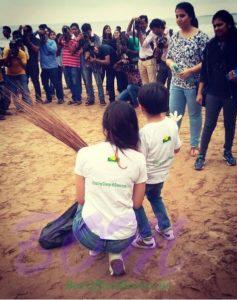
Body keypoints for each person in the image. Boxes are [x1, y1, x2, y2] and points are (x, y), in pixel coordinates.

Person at [73, 101, 147, 276]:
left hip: (87, 236)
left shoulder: (84, 153)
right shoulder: (138, 159)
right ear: (133, 128)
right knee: (121, 209)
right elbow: (137, 204)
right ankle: (115, 254)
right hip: (123, 238)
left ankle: (96, 248)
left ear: (105, 126)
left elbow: (81, 199)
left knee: (82, 202)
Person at [132, 83, 181, 249]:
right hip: (162, 176)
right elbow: (177, 148)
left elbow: (140, 159)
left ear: (142, 107)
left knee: (135, 204)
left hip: (145, 178)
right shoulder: (172, 125)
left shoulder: (144, 133)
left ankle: (146, 237)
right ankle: (166, 228)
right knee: (155, 197)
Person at [194, 10, 237, 170]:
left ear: (228, 23)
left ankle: (227, 151)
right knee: (209, 125)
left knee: (230, 124)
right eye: (214, 26)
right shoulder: (211, 45)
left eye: (219, 24)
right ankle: (201, 155)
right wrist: (199, 92)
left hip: (232, 93)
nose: (217, 28)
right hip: (213, 92)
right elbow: (204, 72)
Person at [166, 2, 209, 156]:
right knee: (174, 115)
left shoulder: (201, 37)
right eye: (177, 16)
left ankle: (194, 144)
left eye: (182, 15)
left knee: (194, 115)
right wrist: (173, 66)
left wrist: (190, 71)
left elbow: (207, 62)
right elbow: (168, 58)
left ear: (190, 16)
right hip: (176, 83)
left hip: (194, 84)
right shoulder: (175, 36)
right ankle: (172, 143)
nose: (179, 19)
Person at [80, 23, 106, 106]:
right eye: (84, 32)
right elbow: (80, 49)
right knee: (88, 82)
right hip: (85, 62)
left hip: (95, 62)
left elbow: (97, 50)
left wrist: (90, 41)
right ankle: (91, 99)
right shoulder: (82, 38)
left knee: (98, 82)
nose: (85, 33)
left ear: (90, 30)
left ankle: (102, 99)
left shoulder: (96, 37)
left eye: (86, 32)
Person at [127, 15, 157, 84]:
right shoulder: (138, 32)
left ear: (147, 23)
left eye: (143, 23)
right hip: (141, 60)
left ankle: (153, 95)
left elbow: (143, 44)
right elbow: (128, 32)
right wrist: (132, 20)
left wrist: (138, 31)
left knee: (152, 83)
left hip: (150, 60)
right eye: (140, 23)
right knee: (144, 83)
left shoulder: (151, 32)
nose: (141, 25)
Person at [38, 25, 64, 104]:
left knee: (56, 83)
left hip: (53, 66)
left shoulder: (52, 42)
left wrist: (45, 42)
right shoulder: (39, 42)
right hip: (44, 67)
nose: (42, 36)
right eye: (41, 35)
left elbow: (53, 51)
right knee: (45, 83)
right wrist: (38, 32)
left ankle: (60, 98)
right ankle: (49, 98)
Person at [3, 39, 32, 107]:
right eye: (11, 48)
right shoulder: (7, 51)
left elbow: (24, 67)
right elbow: (6, 64)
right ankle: (18, 106)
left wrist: (18, 59)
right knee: (14, 91)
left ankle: (28, 104)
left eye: (14, 48)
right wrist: (9, 57)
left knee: (24, 89)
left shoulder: (22, 53)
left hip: (21, 73)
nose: (13, 50)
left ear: (18, 48)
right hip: (10, 74)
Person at [59, 26, 82, 105]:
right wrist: (64, 37)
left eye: (67, 30)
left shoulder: (75, 40)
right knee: (69, 83)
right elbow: (58, 43)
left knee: (76, 82)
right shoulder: (64, 39)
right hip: (66, 63)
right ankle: (74, 98)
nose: (66, 32)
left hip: (74, 64)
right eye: (64, 30)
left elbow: (72, 51)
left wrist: (69, 41)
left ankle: (78, 99)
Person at [22, 25, 42, 103]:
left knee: (35, 81)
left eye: (26, 32)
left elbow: (36, 49)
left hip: (33, 64)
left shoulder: (36, 40)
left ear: (30, 32)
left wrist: (28, 41)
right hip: (24, 65)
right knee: (24, 82)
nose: (25, 33)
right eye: (24, 32)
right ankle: (26, 100)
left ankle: (38, 99)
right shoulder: (22, 40)